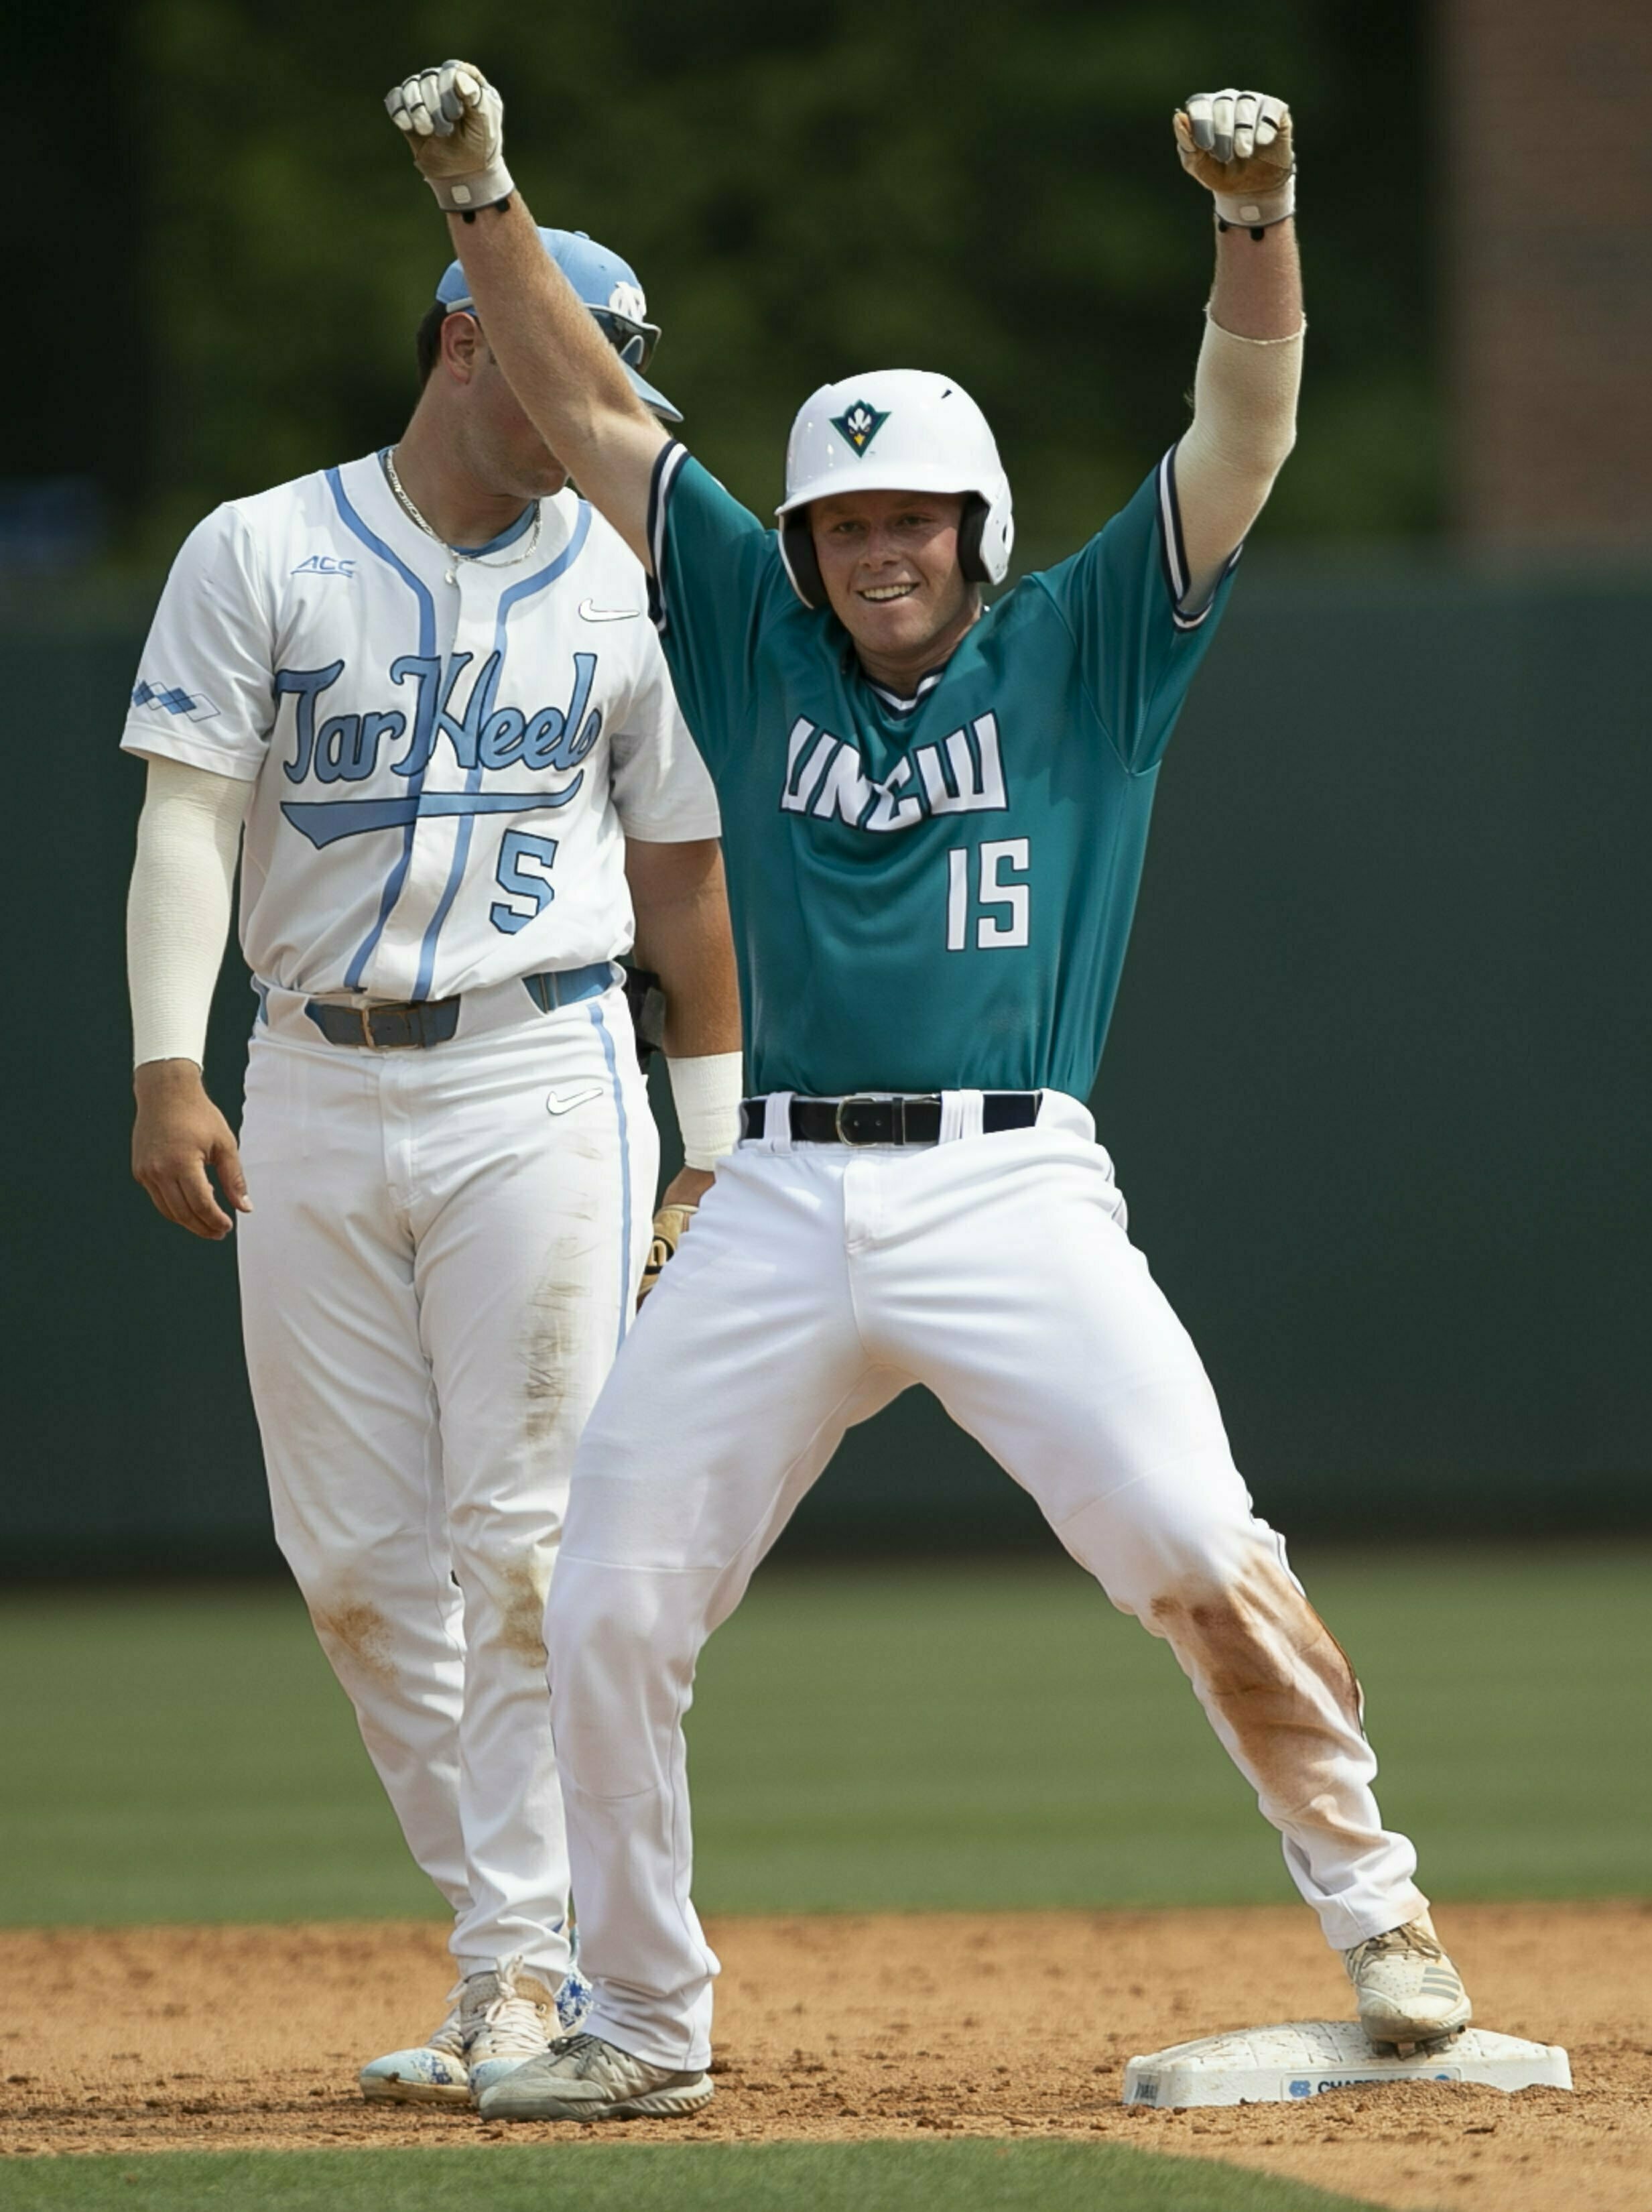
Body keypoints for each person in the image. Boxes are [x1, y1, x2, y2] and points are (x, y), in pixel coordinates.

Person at [383, 65, 1473, 2124]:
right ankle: (640, 2019)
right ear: (799, 541)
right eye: (842, 521)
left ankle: (1382, 1919)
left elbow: (1238, 434)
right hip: (779, 1197)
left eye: (910, 518)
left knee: (1183, 1531)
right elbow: (594, 409)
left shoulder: (1080, 650)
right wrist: (484, 196)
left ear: (974, 532)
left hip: (1012, 1191)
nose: (876, 550)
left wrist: (1259, 223)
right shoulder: (747, 630)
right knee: (603, 1590)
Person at [123, 221, 744, 2107]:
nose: (605, 408)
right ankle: (508, 1943)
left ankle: (527, 1971)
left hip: (543, 1064)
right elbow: (184, 821)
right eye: (577, 362)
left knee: (531, 1539)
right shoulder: (262, 548)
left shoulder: (632, 579)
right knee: (357, 1563)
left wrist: (707, 1145)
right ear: (471, 339)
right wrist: (168, 1063)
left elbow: (680, 877)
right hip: (306, 1073)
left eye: (615, 372)